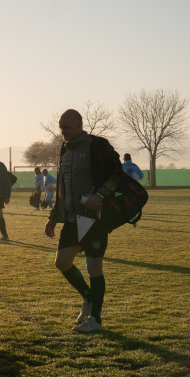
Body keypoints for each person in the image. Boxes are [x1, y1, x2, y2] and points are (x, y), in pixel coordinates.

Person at [44, 109, 122, 333]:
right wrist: (53, 217)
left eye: (66, 128)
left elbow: (118, 176)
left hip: (94, 219)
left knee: (93, 268)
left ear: (79, 125)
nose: (63, 132)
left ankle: (96, 319)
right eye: (61, 128)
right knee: (62, 262)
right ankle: (88, 296)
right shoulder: (64, 150)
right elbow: (63, 188)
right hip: (71, 219)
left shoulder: (98, 146)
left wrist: (100, 195)